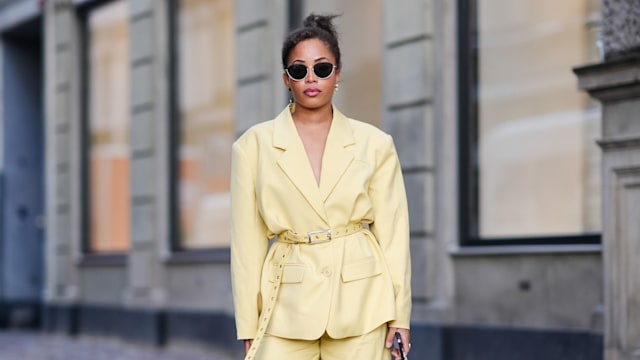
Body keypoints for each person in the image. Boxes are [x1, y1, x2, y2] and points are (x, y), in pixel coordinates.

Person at [230, 13, 411, 360]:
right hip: (285, 306)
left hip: (364, 303)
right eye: (299, 70)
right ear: (286, 79)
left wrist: (400, 316)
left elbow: (394, 236)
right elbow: (246, 247)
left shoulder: (374, 144)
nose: (311, 78)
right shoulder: (252, 146)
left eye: (323, 68)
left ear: (338, 73)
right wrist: (247, 324)